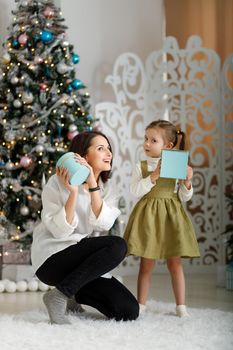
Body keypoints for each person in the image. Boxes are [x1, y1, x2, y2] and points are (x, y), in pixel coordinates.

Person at [31, 131, 139, 324]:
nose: (108, 153)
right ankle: (59, 295)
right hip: (52, 260)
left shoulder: (108, 191)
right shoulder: (57, 182)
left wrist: (91, 184)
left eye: (109, 148)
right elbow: (60, 231)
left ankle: (73, 294)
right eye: (100, 148)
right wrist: (72, 193)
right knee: (118, 245)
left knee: (128, 310)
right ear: (84, 156)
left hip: (81, 265)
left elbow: (104, 223)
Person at [124, 120, 200, 317]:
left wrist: (187, 182)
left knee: (175, 263)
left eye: (153, 140)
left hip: (171, 217)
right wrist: (153, 177)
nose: (147, 144)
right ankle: (141, 304)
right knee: (146, 264)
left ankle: (181, 306)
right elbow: (134, 190)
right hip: (148, 217)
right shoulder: (141, 166)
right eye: (146, 139)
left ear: (168, 146)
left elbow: (183, 196)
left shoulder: (176, 165)